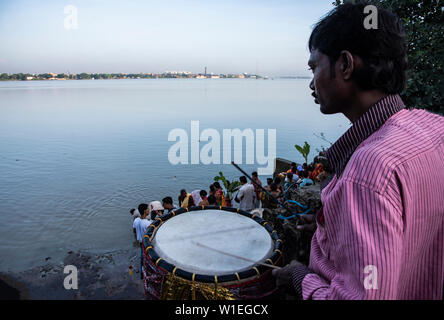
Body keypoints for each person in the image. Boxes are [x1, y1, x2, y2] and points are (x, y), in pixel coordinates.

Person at [273, 2, 444, 300]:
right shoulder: (435, 128)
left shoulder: (368, 171)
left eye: (315, 67)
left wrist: (302, 279)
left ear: (346, 65)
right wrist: (336, 227)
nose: (312, 83)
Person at [133, 203, 150, 279]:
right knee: (146, 259)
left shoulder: (137, 220)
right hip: (146, 244)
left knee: (142, 259)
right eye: (148, 209)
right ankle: (145, 275)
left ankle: (141, 274)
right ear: (145, 211)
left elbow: (134, 230)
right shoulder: (148, 223)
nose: (149, 210)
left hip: (140, 242)